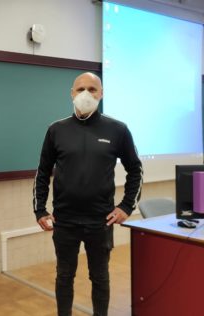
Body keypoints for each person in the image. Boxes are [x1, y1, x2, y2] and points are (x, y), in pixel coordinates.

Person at [33, 72, 142, 316]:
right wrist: (40, 209)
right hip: (65, 221)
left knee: (100, 278)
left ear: (101, 94)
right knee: (64, 276)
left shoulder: (118, 130)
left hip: (100, 221)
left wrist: (126, 207)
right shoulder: (56, 130)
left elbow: (136, 170)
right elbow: (42, 172)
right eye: (80, 89)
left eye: (92, 89)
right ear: (71, 93)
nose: (86, 94)